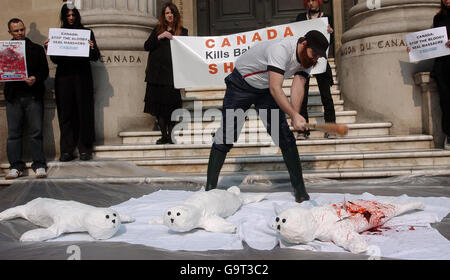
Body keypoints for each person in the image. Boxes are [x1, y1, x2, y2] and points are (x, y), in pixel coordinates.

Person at [205, 30, 330, 203]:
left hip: (265, 91)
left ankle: (300, 191)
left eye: (318, 56)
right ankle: (209, 189)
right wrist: (293, 114)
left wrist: (296, 113)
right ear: (303, 44)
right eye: (314, 53)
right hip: (241, 85)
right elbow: (275, 88)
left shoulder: (308, 59)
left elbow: (299, 84)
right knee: (227, 135)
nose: (315, 59)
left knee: (284, 136)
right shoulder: (281, 50)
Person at [45, 3, 101, 161]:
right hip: (64, 78)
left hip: (82, 77)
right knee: (65, 113)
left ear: (77, 16)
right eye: (68, 15)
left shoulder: (86, 33)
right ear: (64, 17)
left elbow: (95, 56)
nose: (71, 18)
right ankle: (67, 150)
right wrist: (48, 48)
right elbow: (55, 59)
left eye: (73, 15)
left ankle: (85, 148)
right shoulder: (59, 34)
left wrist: (91, 48)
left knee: (84, 112)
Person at [3, 18, 49, 179]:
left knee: (36, 132)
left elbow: (45, 71)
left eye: (22, 29)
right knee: (14, 134)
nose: (20, 33)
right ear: (10, 32)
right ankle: (16, 166)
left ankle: (39, 164)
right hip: (13, 97)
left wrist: (35, 78)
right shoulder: (5, 51)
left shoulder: (36, 49)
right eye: (16, 31)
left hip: (33, 95)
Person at [144, 2, 188, 144]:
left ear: (176, 15)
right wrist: (160, 36)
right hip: (156, 76)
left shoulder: (183, 31)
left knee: (172, 107)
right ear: (164, 15)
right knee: (159, 108)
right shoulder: (157, 30)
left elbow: (186, 53)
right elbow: (147, 46)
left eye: (172, 13)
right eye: (167, 13)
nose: (170, 15)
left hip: (172, 76)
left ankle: (171, 135)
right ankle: (164, 136)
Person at [296, 0, 336, 139]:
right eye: (309, 0)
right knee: (302, 97)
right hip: (305, 60)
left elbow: (330, 40)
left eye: (314, 0)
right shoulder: (301, 18)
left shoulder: (327, 18)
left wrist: (331, 32)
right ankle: (302, 130)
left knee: (326, 96)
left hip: (321, 60)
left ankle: (330, 128)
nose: (311, 3)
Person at [432, 0, 450, 149]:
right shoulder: (438, 17)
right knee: (445, 101)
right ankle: (449, 134)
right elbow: (431, 41)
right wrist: (414, 48)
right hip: (443, 65)